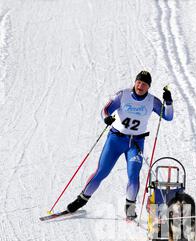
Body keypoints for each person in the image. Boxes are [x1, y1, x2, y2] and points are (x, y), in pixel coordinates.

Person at [67, 70, 174, 219]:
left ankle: (130, 209)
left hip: (135, 144)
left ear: (148, 87)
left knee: (133, 175)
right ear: (135, 82)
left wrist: (168, 102)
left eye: (144, 84)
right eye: (138, 82)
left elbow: (168, 116)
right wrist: (107, 118)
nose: (140, 86)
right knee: (101, 172)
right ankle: (81, 200)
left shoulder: (152, 101)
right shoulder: (123, 95)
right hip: (116, 140)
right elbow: (105, 110)